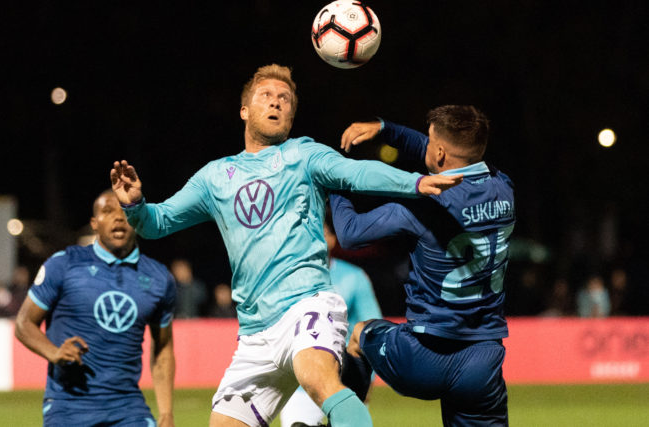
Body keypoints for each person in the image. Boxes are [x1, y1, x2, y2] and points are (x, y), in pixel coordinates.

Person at [110, 64, 462, 427]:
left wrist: (414, 183)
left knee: (317, 378)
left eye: (285, 99)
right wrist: (135, 205)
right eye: (266, 96)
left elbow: (355, 173)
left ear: (291, 117)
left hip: (307, 304)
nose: (276, 102)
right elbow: (158, 222)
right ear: (245, 110)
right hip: (254, 332)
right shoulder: (214, 177)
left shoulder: (304, 155)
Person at [330, 105, 514, 426]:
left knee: (360, 334)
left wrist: (335, 180)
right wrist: (386, 129)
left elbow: (350, 233)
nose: (424, 146)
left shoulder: (425, 205)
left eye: (429, 141)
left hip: (424, 355)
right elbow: (440, 154)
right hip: (482, 362)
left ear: (440, 151)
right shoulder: (504, 187)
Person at [14, 190, 177, 427]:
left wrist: (166, 413)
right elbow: (23, 323)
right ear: (94, 224)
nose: (119, 218)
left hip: (128, 408)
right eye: (108, 211)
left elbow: (163, 347)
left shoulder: (159, 278)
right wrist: (53, 352)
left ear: (137, 220)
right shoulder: (64, 264)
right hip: (68, 406)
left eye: (125, 211)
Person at [279, 220, 382, 427]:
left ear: (333, 239)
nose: (317, 236)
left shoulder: (354, 277)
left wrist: (366, 381)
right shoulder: (286, 278)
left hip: (345, 382)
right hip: (298, 385)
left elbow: (370, 328)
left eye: (324, 231)